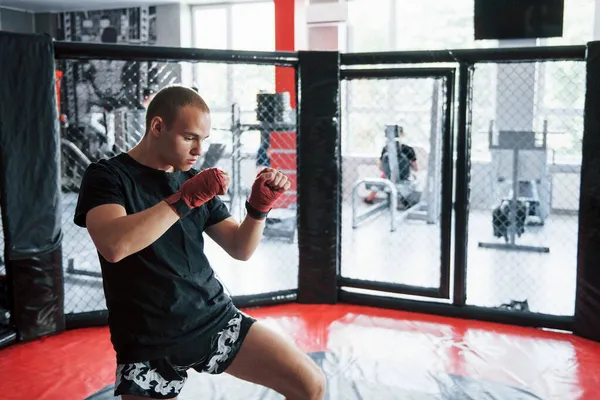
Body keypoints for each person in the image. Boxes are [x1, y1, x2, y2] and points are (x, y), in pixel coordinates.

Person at [73, 85, 326, 400]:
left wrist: (258, 210)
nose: (198, 150)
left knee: (310, 385)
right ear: (157, 127)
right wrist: (183, 200)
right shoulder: (109, 176)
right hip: (147, 340)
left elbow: (240, 247)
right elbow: (114, 245)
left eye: (202, 140)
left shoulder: (192, 180)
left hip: (210, 318)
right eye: (189, 137)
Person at [364, 126, 419, 204]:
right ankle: (405, 199)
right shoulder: (409, 149)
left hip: (388, 177)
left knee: (383, 175)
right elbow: (416, 169)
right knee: (414, 177)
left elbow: (380, 167)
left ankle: (370, 198)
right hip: (404, 177)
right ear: (401, 134)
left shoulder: (385, 149)